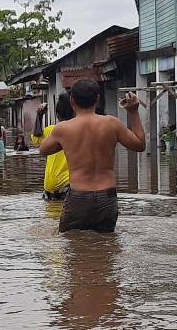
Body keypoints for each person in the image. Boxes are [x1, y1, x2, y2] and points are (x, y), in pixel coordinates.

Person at [39, 79, 145, 233]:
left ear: (72, 100)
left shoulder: (63, 129)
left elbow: (43, 150)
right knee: (107, 242)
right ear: (97, 99)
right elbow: (140, 145)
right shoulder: (112, 123)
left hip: (78, 196)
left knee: (72, 242)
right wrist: (133, 112)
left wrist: (65, 141)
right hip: (107, 196)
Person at [30, 93, 74, 200]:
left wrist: (39, 116)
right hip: (68, 186)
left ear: (57, 115)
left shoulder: (52, 130)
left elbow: (36, 137)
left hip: (51, 187)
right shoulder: (81, 130)